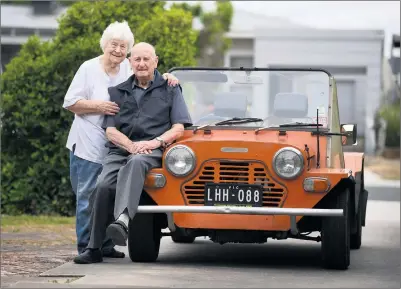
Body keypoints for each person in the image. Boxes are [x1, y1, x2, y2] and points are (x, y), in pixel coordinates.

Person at [63, 21, 179, 258]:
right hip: (88, 142)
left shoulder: (127, 69)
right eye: (113, 45)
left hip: (116, 143)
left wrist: (167, 76)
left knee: (108, 190)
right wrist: (100, 106)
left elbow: (147, 72)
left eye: (122, 46)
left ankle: (105, 245)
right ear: (104, 45)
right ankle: (87, 246)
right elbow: (70, 103)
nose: (117, 50)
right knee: (88, 196)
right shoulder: (88, 68)